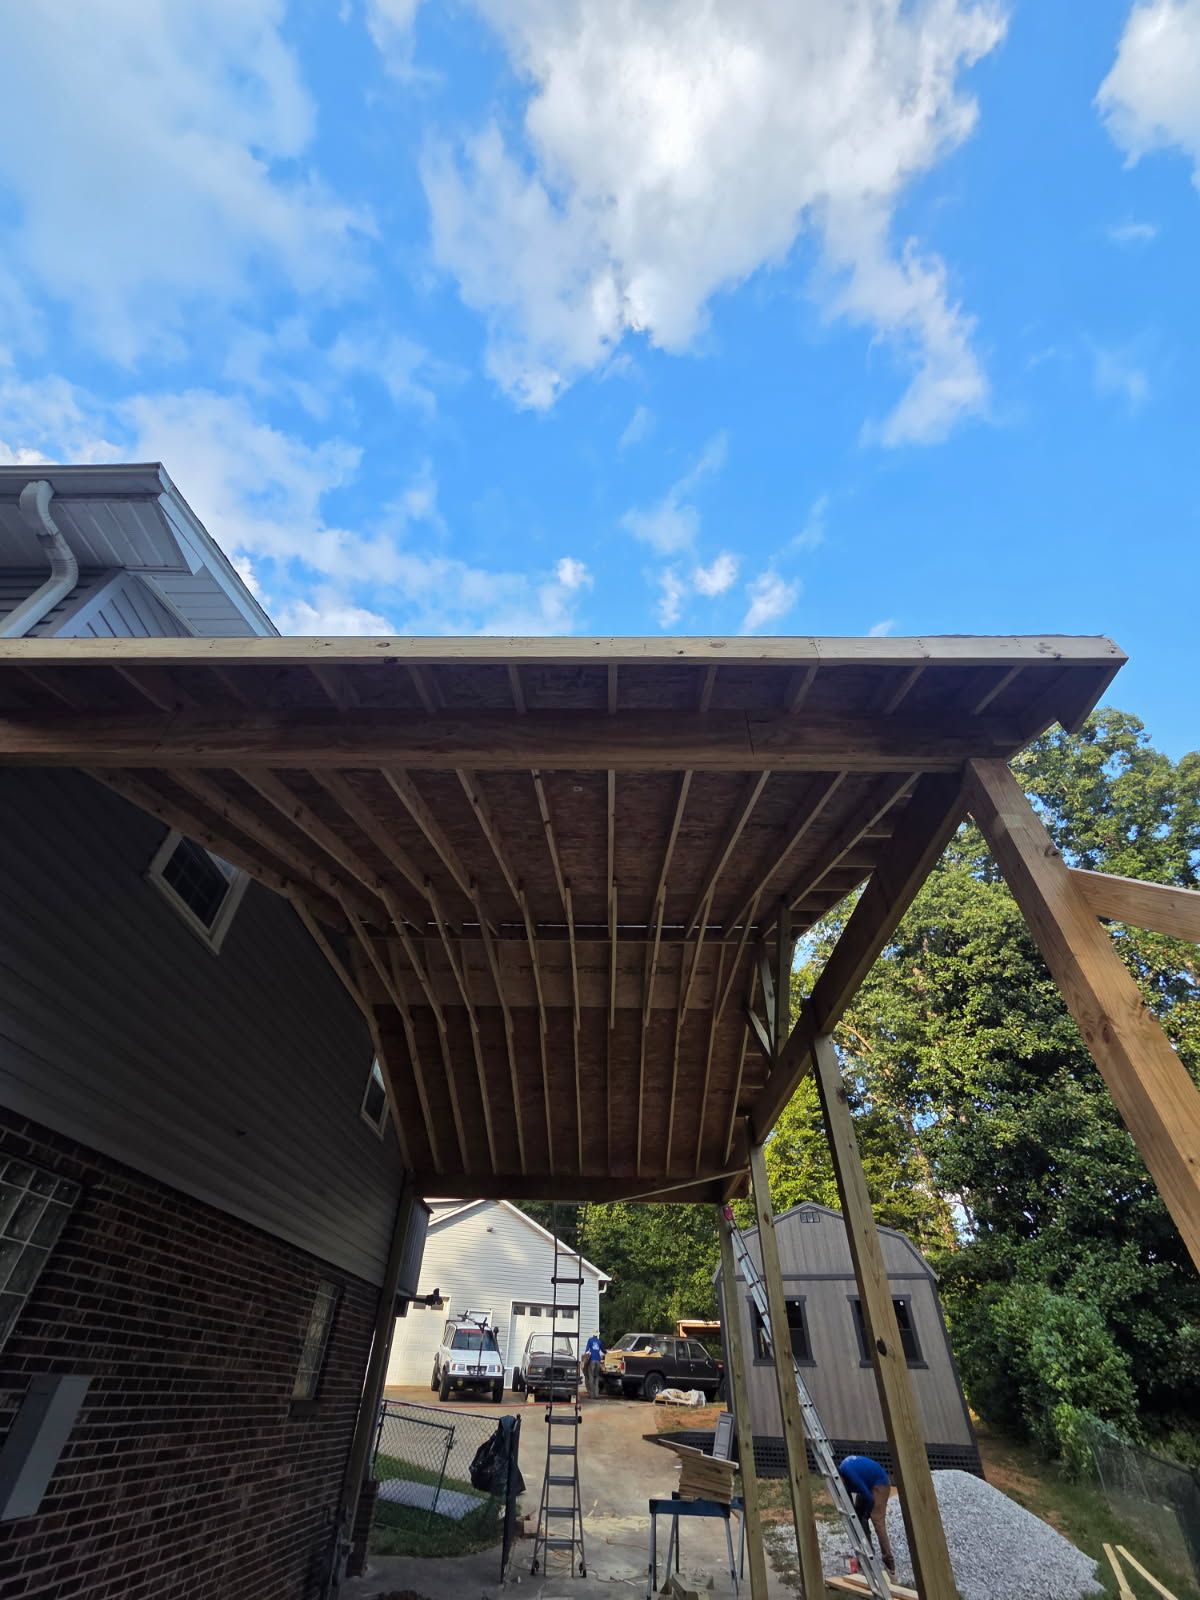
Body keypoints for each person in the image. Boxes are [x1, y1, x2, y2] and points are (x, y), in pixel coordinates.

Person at [837, 1454, 896, 1575]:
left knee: (877, 1520)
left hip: (880, 1483)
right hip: (867, 1485)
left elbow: (869, 1498)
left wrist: (866, 1514)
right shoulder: (841, 1479)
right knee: (859, 1519)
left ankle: (889, 1564)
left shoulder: (849, 1473)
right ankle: (868, 1554)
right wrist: (856, 1517)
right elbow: (850, 1503)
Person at [583, 1331, 606, 1398]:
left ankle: (592, 1395)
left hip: (592, 1360)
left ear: (592, 1334)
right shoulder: (599, 1341)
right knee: (596, 1377)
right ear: (597, 1334)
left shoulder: (590, 1340)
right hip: (598, 1361)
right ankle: (596, 1395)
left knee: (591, 1377)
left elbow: (587, 1350)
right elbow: (603, 1350)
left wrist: (584, 1359)